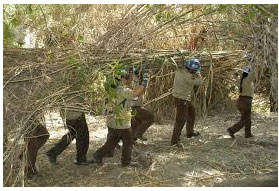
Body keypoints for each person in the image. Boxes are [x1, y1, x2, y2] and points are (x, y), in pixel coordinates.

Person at [90, 70, 144, 167]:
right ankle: (126, 162)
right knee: (128, 141)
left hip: (113, 120)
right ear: (123, 79)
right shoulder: (123, 90)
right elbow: (135, 94)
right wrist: (144, 82)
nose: (130, 80)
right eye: (129, 78)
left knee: (113, 141)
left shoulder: (112, 87)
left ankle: (98, 155)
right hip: (121, 122)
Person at [171, 58, 203, 146]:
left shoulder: (179, 70)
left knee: (191, 112)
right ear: (191, 69)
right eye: (194, 70)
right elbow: (200, 82)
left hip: (182, 98)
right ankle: (174, 141)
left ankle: (190, 132)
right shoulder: (188, 77)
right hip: (181, 99)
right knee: (180, 120)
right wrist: (198, 73)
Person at [227, 64, 255, 138]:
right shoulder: (248, 80)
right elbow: (254, 74)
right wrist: (255, 65)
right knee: (245, 119)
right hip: (246, 101)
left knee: (247, 118)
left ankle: (248, 134)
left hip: (241, 100)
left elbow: (237, 74)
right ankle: (231, 130)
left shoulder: (240, 79)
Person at [131, 68, 154, 142]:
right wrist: (144, 81)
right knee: (150, 117)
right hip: (133, 107)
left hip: (134, 107)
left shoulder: (135, 80)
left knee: (136, 122)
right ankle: (138, 134)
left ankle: (132, 139)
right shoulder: (134, 81)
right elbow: (137, 93)